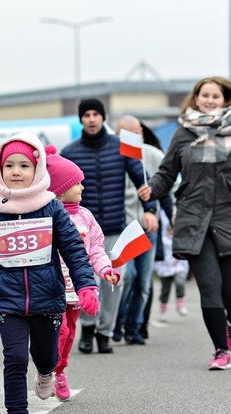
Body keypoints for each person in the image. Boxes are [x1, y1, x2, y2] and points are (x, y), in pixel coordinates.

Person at [0, 132, 99, 414]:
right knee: (14, 357)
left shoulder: (52, 208)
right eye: (9, 165)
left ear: (37, 170)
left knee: (47, 356)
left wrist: (86, 285)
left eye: (24, 165)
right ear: (0, 168)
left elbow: (74, 251)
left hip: (48, 299)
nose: (16, 171)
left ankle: (47, 371)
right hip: (8, 301)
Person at [138, 76, 231, 370]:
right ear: (196, 99)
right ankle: (220, 350)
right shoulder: (183, 134)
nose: (210, 101)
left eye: (216, 96)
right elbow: (167, 172)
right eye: (205, 95)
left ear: (225, 100)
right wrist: (154, 188)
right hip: (194, 218)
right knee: (210, 288)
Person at [61, 99, 158, 354]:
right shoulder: (70, 152)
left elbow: (142, 181)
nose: (91, 119)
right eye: (86, 115)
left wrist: (150, 210)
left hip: (115, 227)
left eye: (96, 114)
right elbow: (57, 186)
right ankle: (87, 327)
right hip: (81, 230)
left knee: (115, 280)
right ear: (81, 119)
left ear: (103, 118)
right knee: (86, 279)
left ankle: (105, 332)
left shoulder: (122, 146)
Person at [44, 144, 118, 401]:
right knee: (61, 330)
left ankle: (60, 371)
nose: (82, 187)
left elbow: (96, 248)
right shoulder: (47, 217)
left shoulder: (86, 217)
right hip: (52, 287)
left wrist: (105, 269)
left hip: (76, 287)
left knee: (70, 333)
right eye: (77, 183)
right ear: (60, 189)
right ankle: (47, 370)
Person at [114, 115, 174, 345]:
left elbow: (166, 188)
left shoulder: (153, 155)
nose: (131, 139)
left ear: (141, 133)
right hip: (122, 226)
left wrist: (171, 216)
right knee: (127, 277)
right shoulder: (112, 155)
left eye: (135, 134)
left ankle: (134, 327)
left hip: (148, 227)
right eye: (125, 134)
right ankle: (117, 322)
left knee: (144, 283)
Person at [154, 210, 189, 322]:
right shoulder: (160, 215)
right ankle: (162, 310)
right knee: (165, 289)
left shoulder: (179, 212)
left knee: (180, 282)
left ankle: (180, 303)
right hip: (165, 262)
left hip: (179, 261)